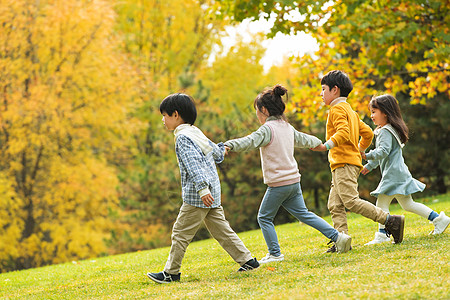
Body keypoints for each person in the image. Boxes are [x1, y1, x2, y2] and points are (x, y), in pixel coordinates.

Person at [224, 84, 352, 264]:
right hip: (293, 182)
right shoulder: (286, 127)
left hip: (278, 184)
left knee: (264, 217)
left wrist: (229, 144)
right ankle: (339, 237)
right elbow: (306, 139)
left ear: (263, 110)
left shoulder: (267, 130)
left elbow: (249, 141)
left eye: (256, 111)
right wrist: (318, 143)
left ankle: (275, 254)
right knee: (304, 214)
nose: (256, 115)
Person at [147, 93, 259, 284]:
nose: (162, 120)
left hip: (199, 196)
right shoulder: (195, 132)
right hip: (212, 191)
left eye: (164, 115)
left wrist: (201, 189)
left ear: (175, 115)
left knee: (180, 233)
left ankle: (171, 273)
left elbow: (193, 165)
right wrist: (224, 148)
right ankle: (248, 261)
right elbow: (217, 153)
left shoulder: (182, 137)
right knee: (221, 230)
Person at [311, 70, 405, 252]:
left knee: (350, 201)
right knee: (335, 204)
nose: (321, 94)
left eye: (323, 89)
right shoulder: (350, 111)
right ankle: (342, 241)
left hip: (343, 163)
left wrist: (326, 146)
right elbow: (368, 133)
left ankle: (390, 221)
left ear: (335, 90)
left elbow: (343, 132)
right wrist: (360, 149)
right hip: (346, 163)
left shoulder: (336, 109)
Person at [361, 94, 450, 244]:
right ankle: (438, 219)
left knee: (381, 204)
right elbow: (384, 155)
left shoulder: (384, 131)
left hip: (393, 175)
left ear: (385, 112)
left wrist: (366, 155)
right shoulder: (388, 129)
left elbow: (383, 152)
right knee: (408, 204)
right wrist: (369, 166)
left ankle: (382, 235)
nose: (371, 116)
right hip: (398, 173)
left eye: (374, 112)